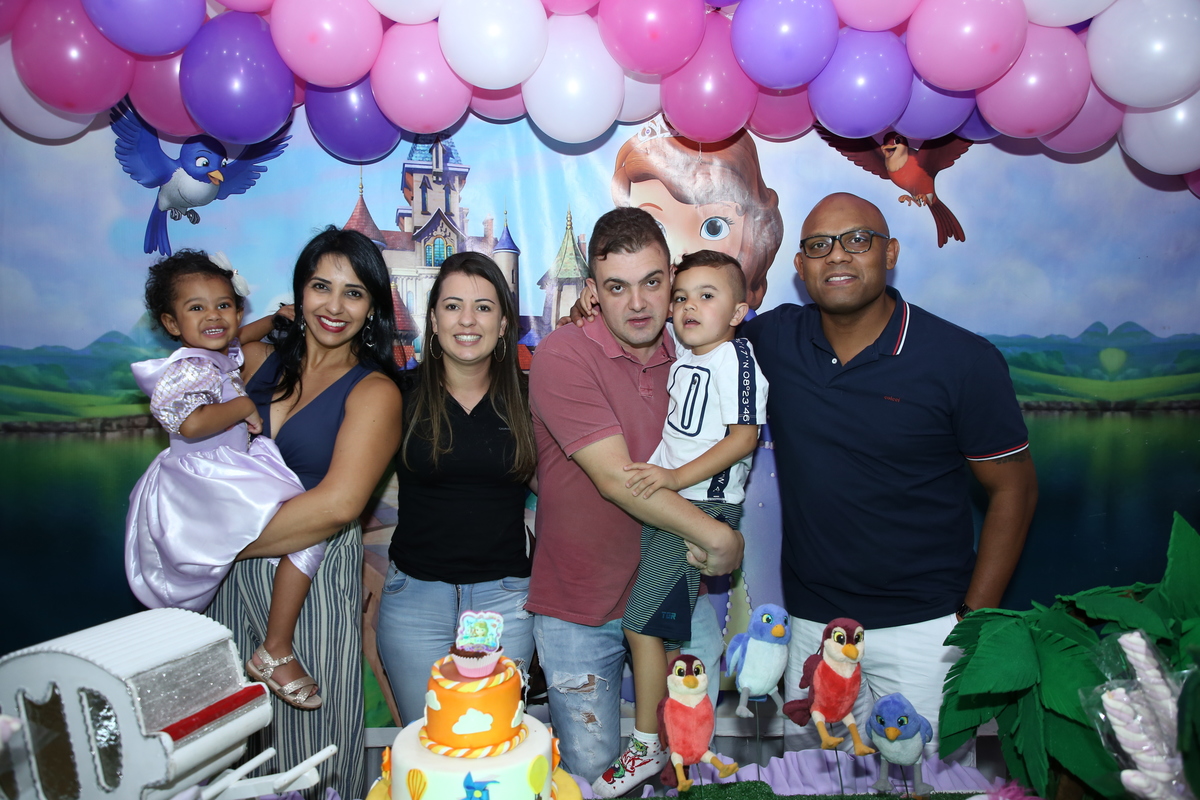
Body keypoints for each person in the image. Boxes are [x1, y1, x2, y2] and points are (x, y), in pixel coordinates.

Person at [738, 192, 1038, 757]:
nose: (838, 255)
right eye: (819, 246)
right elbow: (692, 333)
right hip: (812, 629)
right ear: (800, 267)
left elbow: (1014, 490)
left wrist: (972, 619)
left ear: (890, 252)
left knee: (927, 784)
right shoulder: (771, 342)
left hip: (927, 630)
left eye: (858, 240)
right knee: (814, 784)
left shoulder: (961, 359)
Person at [527, 207, 744, 797]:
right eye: (617, 287)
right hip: (580, 605)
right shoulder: (563, 353)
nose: (640, 303)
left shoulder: (698, 349)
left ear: (672, 278)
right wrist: (718, 536)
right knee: (596, 777)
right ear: (592, 291)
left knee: (688, 763)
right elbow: (618, 480)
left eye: (652, 281)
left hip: (676, 588)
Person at [206, 226, 404, 796]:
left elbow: (340, 503)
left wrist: (209, 545)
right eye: (321, 287)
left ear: (372, 308)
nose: (334, 306)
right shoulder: (257, 364)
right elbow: (207, 347)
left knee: (307, 755)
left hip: (308, 575)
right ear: (299, 293)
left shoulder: (375, 391)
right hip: (222, 586)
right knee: (225, 744)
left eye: (353, 292)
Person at [126, 250, 327, 709]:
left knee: (302, 527)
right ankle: (275, 648)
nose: (213, 316)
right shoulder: (190, 367)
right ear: (171, 322)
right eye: (196, 308)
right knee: (309, 530)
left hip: (227, 467)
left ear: (237, 311)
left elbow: (240, 337)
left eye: (223, 305)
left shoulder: (216, 353)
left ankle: (249, 650)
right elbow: (191, 423)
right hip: (206, 478)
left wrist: (275, 319)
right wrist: (243, 406)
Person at [620, 250, 769, 780]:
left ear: (738, 312)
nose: (688, 307)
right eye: (680, 297)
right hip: (675, 500)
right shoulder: (687, 354)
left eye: (707, 296)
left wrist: (674, 479)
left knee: (641, 624)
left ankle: (647, 744)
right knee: (669, 633)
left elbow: (743, 438)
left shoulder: (736, 358)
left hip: (699, 503)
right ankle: (676, 744)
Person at [375, 252, 537, 726]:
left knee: (494, 743)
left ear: (504, 324)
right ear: (432, 319)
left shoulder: (531, 399)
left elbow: (566, 490)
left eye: (484, 307)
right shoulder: (396, 395)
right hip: (414, 601)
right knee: (428, 742)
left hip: (506, 600)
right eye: (452, 306)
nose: (467, 320)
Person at [611, 116, 784, 311]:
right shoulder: (643, 318)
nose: (683, 252)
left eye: (714, 227)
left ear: (751, 228)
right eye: (656, 228)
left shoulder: (759, 326)